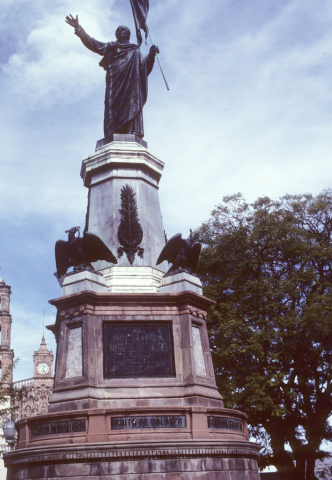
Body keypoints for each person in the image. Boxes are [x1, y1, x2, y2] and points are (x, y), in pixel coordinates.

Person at [65, 14, 159, 139]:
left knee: (131, 105)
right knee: (111, 109)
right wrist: (79, 29)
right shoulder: (110, 47)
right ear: (116, 34)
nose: (120, 31)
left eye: (123, 29)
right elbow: (92, 43)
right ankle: (112, 134)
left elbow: (144, 69)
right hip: (114, 84)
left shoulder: (134, 50)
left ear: (128, 34)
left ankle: (131, 132)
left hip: (131, 86)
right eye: (118, 30)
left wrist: (151, 55)